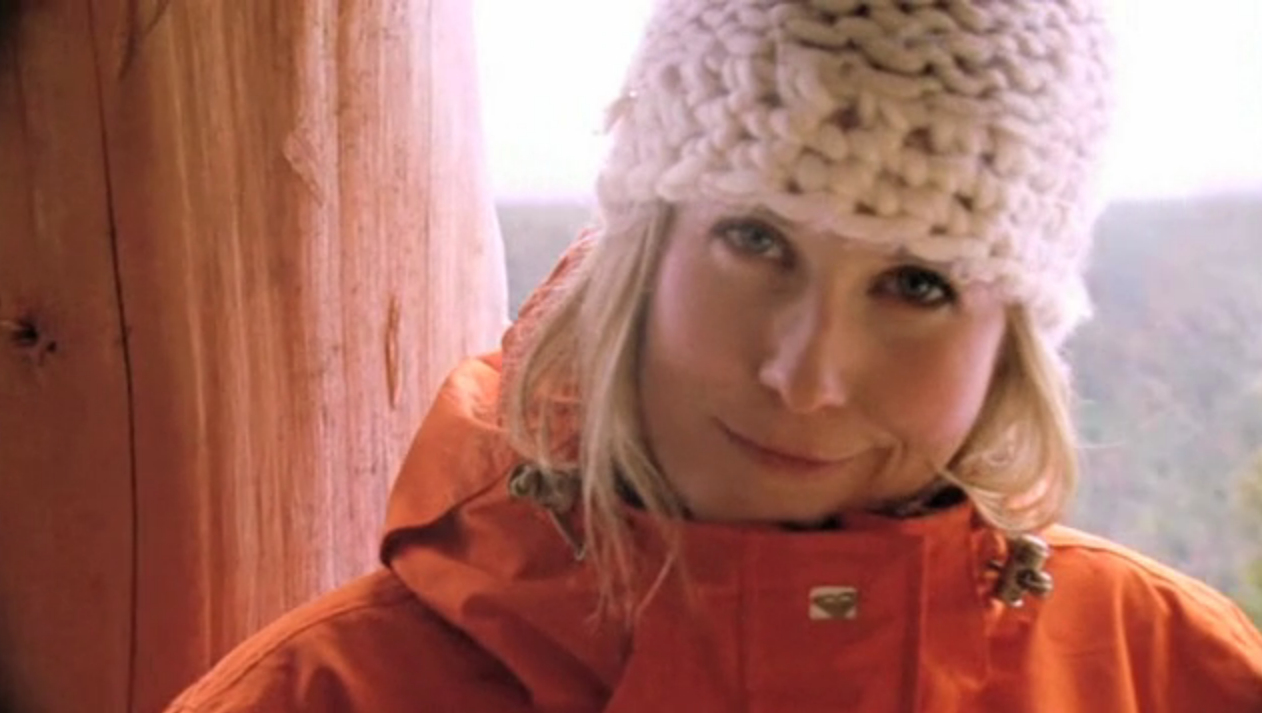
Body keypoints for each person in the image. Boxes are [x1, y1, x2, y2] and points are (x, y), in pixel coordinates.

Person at [166, 1, 1262, 710]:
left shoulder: (1168, 674)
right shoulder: (326, 692)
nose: (807, 374)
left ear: (1010, 340)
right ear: (640, 252)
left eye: (917, 285)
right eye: (756, 240)